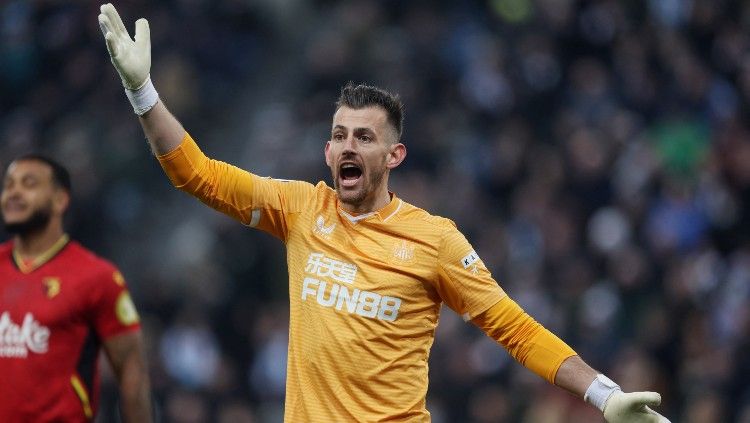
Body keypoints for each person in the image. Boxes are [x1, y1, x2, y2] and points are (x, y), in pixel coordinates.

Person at [97, 3, 670, 422]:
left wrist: (603, 394)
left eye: (364, 138)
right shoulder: (300, 207)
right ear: (326, 151)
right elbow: (193, 173)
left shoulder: (434, 239)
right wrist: (143, 91)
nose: (348, 146)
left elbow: (515, 330)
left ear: (393, 155)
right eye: (339, 135)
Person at [0, 154, 153, 422]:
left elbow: (132, 375)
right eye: (9, 184)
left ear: (60, 200)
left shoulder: (96, 277)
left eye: (29, 183)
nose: (14, 192)